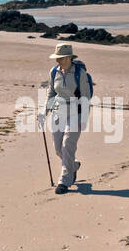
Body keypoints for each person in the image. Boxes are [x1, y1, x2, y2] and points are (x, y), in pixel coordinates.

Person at [39, 42, 92, 194]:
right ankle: (73, 166)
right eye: (57, 58)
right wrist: (44, 111)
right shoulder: (54, 71)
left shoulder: (79, 74)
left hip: (76, 112)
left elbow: (86, 97)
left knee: (67, 144)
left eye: (61, 58)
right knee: (58, 148)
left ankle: (64, 181)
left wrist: (84, 118)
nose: (58, 61)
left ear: (69, 57)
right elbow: (51, 93)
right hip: (58, 111)